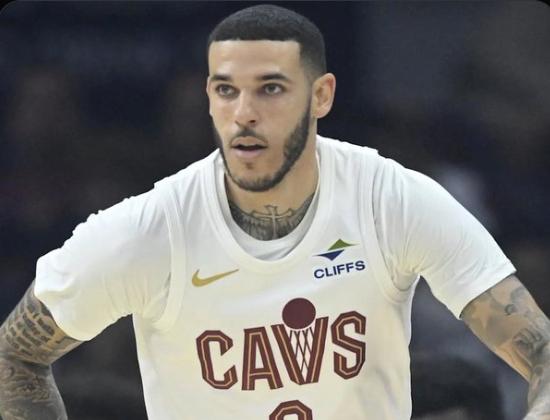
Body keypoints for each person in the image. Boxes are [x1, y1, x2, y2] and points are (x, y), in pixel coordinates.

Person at [0, 4, 549, 420]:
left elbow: (541, 351)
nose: (244, 114)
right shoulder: (152, 226)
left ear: (321, 96)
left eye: (270, 89)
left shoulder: (391, 199)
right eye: (226, 91)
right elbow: (15, 356)